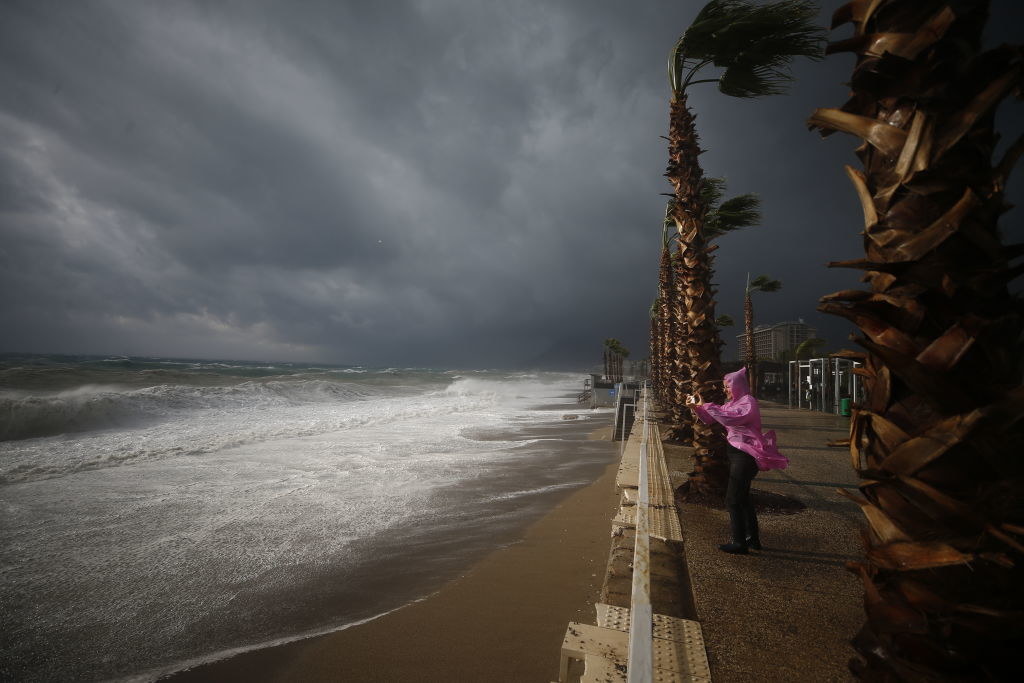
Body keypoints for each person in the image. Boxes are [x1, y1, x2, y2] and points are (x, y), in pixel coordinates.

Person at [686, 368, 788, 554]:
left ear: (738, 386)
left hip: (745, 456)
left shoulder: (748, 402)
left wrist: (706, 405)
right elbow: (711, 419)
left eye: (728, 387)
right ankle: (752, 539)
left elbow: (731, 419)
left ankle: (739, 542)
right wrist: (697, 408)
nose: (725, 390)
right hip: (736, 453)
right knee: (744, 498)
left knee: (732, 499)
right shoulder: (732, 403)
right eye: (725, 387)